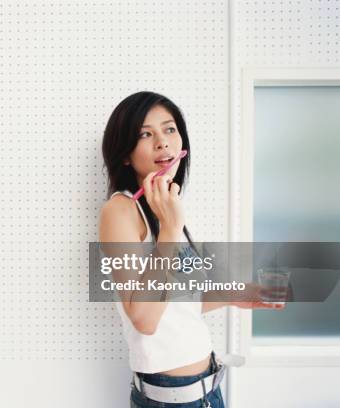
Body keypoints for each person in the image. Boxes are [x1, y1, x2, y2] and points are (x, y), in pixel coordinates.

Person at [99, 91, 281, 408]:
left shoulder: (165, 207)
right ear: (125, 154)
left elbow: (178, 301)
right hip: (171, 398)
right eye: (145, 133)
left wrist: (239, 293)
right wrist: (170, 229)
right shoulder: (121, 210)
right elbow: (144, 317)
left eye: (169, 129)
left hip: (207, 389)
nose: (162, 142)